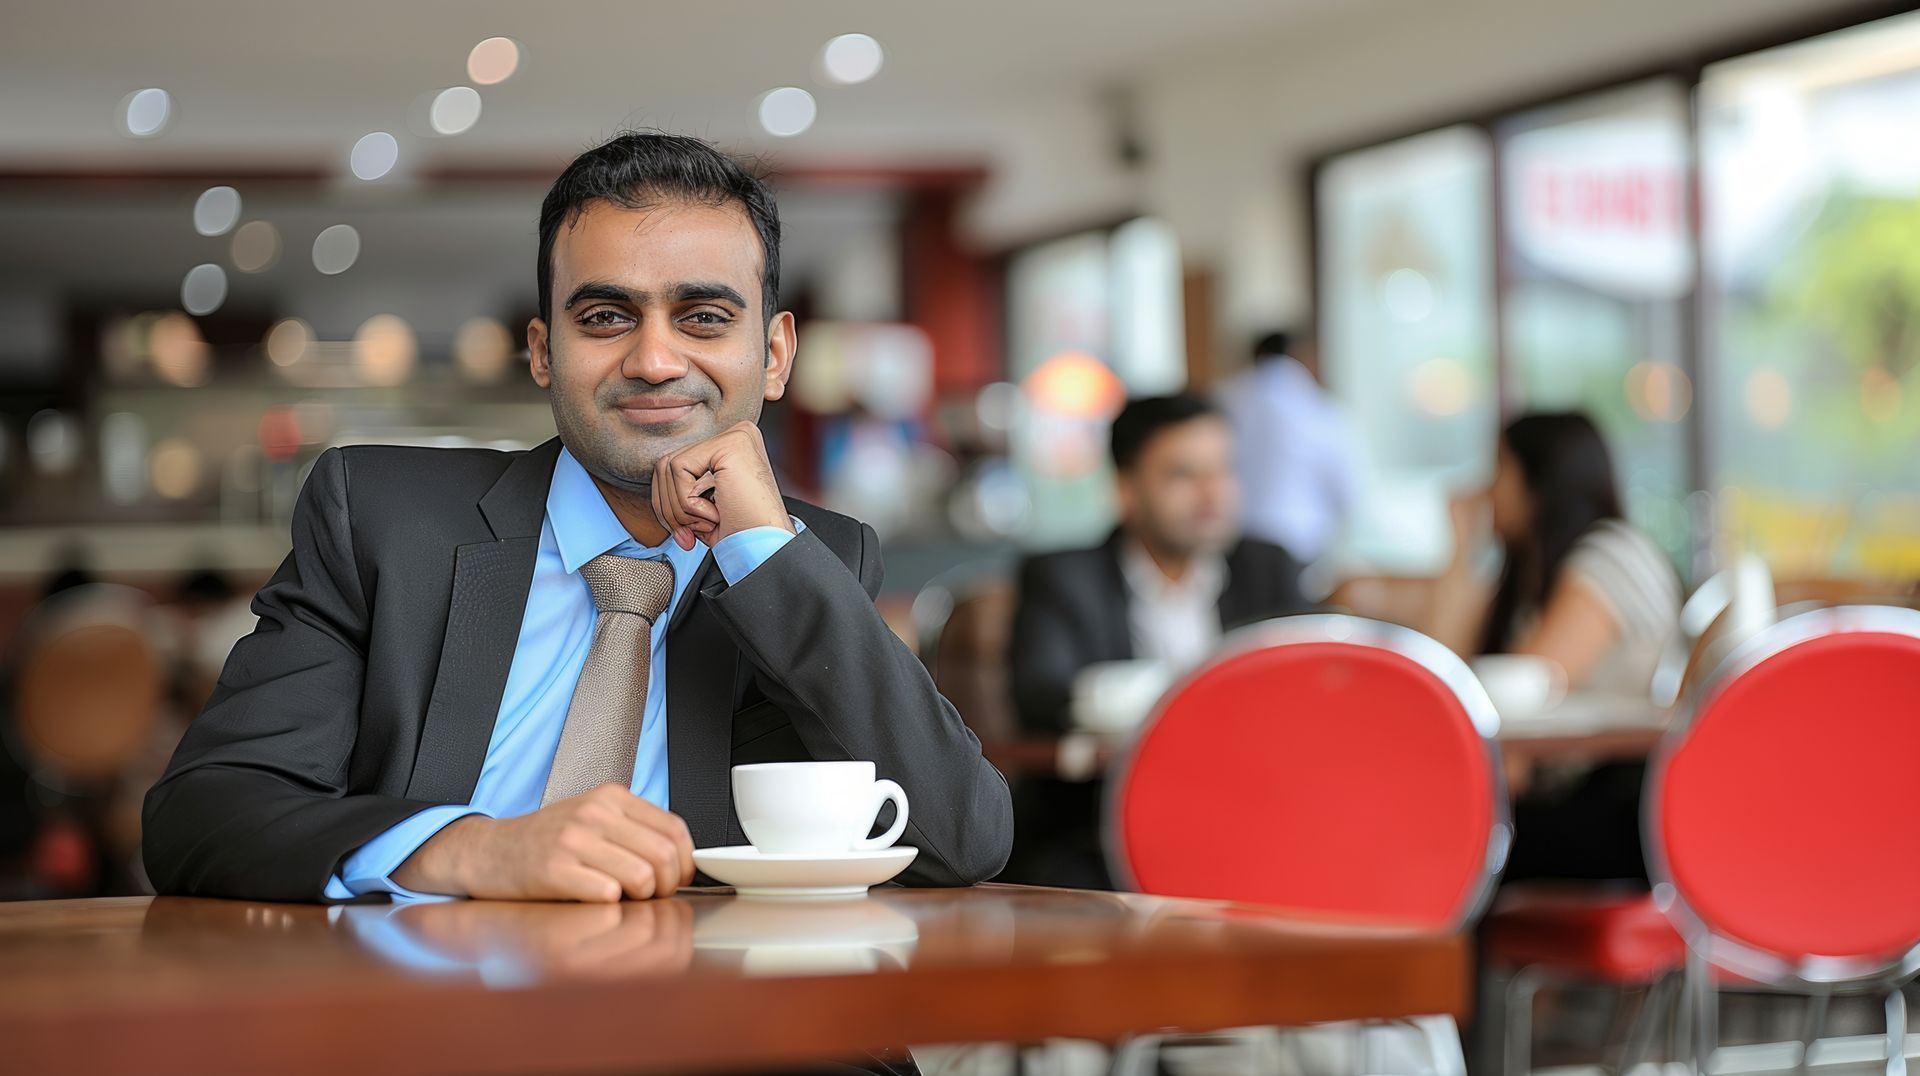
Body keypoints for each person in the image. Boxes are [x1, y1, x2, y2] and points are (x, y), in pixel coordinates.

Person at [143, 132, 1013, 905]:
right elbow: (204, 812)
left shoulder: (807, 560)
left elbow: (960, 838)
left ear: (775, 354)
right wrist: (473, 849)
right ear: (542, 351)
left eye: (704, 317)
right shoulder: (378, 521)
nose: (656, 359)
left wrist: (765, 549)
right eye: (606, 317)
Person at [1001, 394, 1310, 888]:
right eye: (1183, 475)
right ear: (1126, 490)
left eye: (1223, 470)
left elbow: (1311, 680)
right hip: (1101, 828)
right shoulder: (1063, 576)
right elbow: (1042, 693)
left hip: (1255, 816)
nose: (1213, 494)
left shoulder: (1268, 567)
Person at [1427, 411, 1680, 882]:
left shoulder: (1611, 559)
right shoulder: (1531, 577)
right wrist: (1459, 555)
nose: (1487, 489)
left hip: (1621, 812)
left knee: (1435, 842)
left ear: (1539, 481)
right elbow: (1438, 676)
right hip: (1563, 801)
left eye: (1499, 469)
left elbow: (1524, 693)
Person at [1218, 330, 1358, 565]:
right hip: (1299, 542)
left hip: (1230, 537)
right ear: (1302, 356)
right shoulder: (1321, 410)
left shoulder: (1223, 399)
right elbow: (1349, 489)